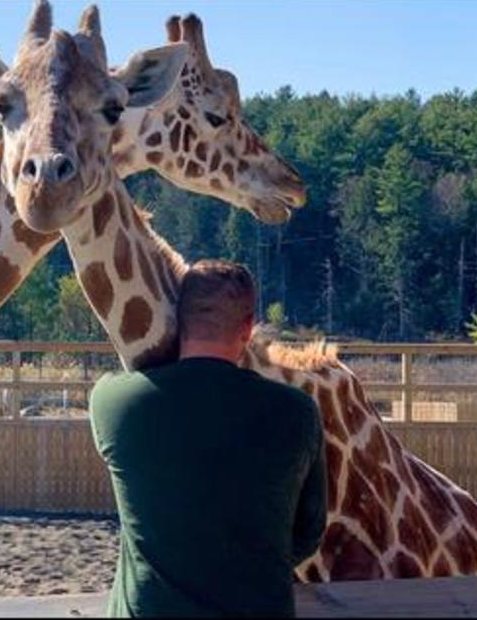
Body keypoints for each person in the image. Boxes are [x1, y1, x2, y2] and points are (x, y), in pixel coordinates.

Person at [89, 259, 327, 618]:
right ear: (248, 328)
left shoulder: (114, 402)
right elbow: (308, 532)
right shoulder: (297, 412)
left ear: (177, 320)